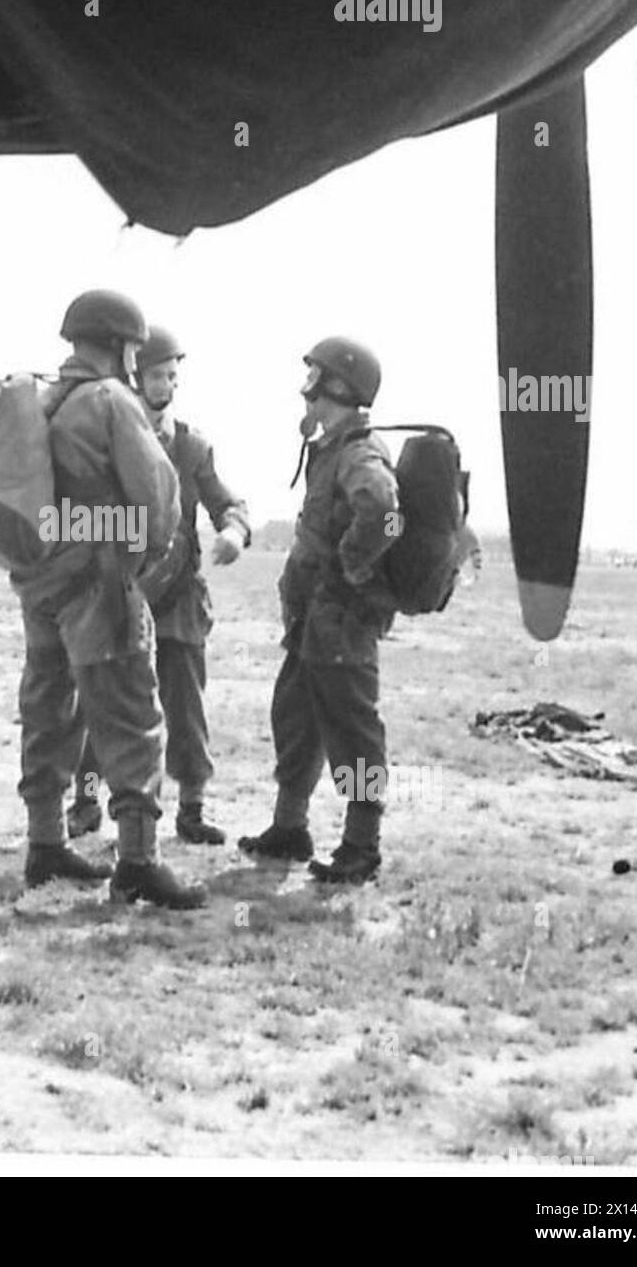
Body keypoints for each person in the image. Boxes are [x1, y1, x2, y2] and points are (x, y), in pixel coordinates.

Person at [11, 291, 207, 908]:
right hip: (99, 589)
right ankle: (139, 860)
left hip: (41, 583)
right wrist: (134, 560)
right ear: (123, 345)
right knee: (130, 717)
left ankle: (45, 845)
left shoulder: (43, 402)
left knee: (49, 711)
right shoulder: (111, 401)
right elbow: (156, 501)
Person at [68, 324, 251, 845]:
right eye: (154, 375)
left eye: (171, 375)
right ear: (134, 377)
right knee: (99, 705)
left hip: (178, 600)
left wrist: (234, 533)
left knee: (185, 707)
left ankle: (192, 806)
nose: (164, 385)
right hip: (116, 594)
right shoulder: (103, 437)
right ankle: (84, 800)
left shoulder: (192, 447)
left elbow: (225, 503)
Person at [238, 337, 400, 884]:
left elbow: (380, 507)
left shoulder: (358, 451)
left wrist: (351, 568)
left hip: (340, 621)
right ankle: (290, 827)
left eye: (315, 376)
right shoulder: (333, 447)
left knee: (353, 731)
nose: (306, 387)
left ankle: (361, 846)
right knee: (296, 718)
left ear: (337, 386)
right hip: (313, 621)